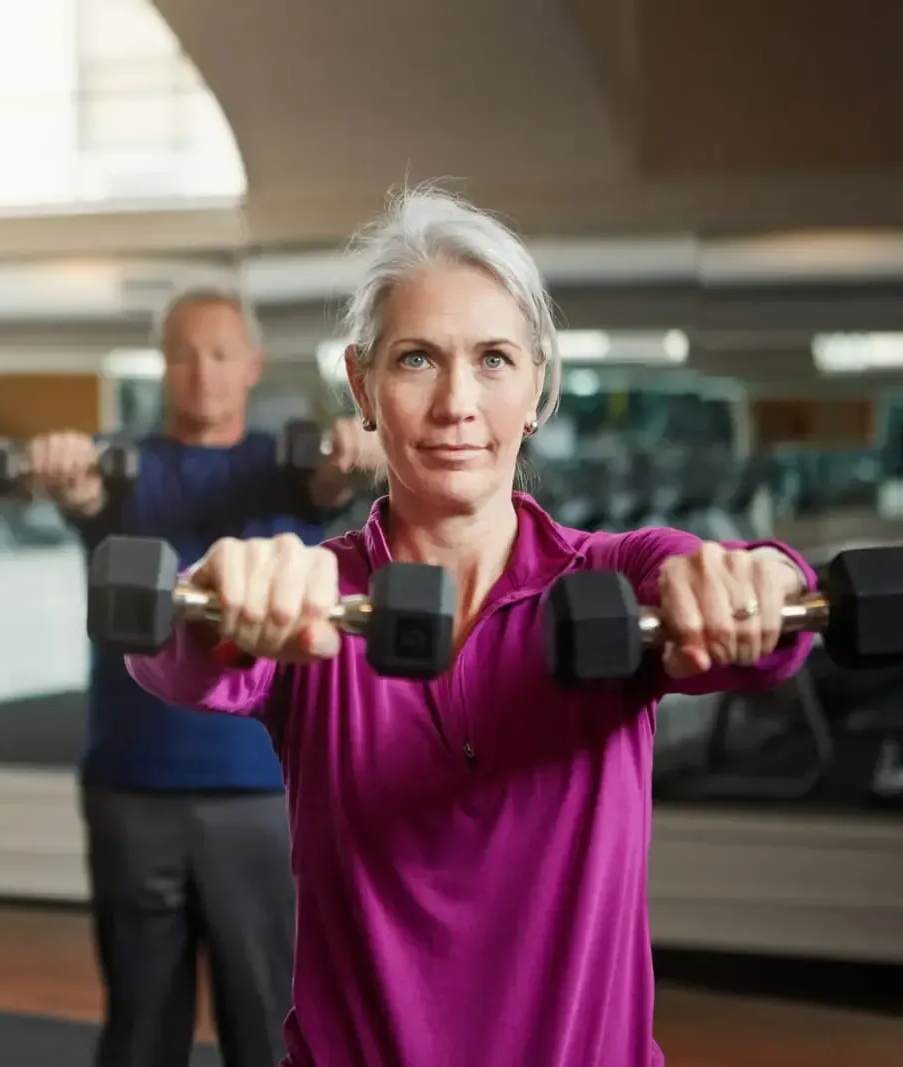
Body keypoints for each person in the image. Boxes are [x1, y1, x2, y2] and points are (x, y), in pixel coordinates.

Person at [123, 187, 818, 1067]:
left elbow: (743, 602)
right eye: (417, 360)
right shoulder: (319, 596)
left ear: (537, 387)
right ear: (362, 386)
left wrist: (759, 580)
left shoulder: (613, 576)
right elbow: (173, 660)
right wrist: (224, 594)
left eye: (493, 360)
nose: (458, 401)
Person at [22, 288, 382, 1067]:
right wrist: (62, 469)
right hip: (130, 781)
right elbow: (85, 496)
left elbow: (331, 482)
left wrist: (359, 448)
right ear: (163, 366)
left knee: (268, 1021)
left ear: (251, 365)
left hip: (258, 788)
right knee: (140, 1028)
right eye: (183, 354)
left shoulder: (281, 466)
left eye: (219, 353)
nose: (201, 372)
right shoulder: (119, 469)